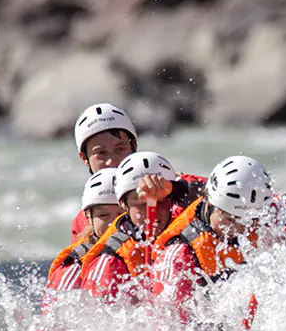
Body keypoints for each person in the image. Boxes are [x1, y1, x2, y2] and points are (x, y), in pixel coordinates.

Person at [153, 155, 286, 322]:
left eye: (248, 221)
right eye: (229, 219)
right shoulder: (180, 252)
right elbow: (172, 325)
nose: (238, 229)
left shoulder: (266, 210)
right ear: (209, 203)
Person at [68, 103, 204, 242]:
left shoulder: (174, 182)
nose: (112, 161)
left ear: (133, 145)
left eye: (120, 149)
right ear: (84, 158)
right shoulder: (84, 220)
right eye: (100, 153)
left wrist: (175, 190)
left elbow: (218, 196)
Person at [79, 151, 181, 303]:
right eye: (140, 204)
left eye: (161, 201)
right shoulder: (110, 262)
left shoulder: (186, 229)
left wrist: (176, 188)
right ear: (124, 206)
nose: (151, 211)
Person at [41, 169, 119, 310]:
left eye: (121, 213)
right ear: (89, 216)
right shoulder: (75, 267)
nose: (113, 223)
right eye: (103, 215)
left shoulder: (150, 245)